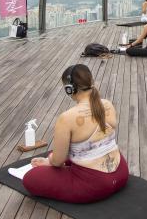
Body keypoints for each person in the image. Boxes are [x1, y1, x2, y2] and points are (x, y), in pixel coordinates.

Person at [22, 64, 128, 202]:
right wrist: (50, 160)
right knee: (64, 153)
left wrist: (50, 162)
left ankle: (54, 163)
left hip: (95, 185)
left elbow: (58, 161)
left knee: (31, 177)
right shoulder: (107, 104)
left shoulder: (67, 118)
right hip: (121, 174)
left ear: (69, 89)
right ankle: (53, 160)